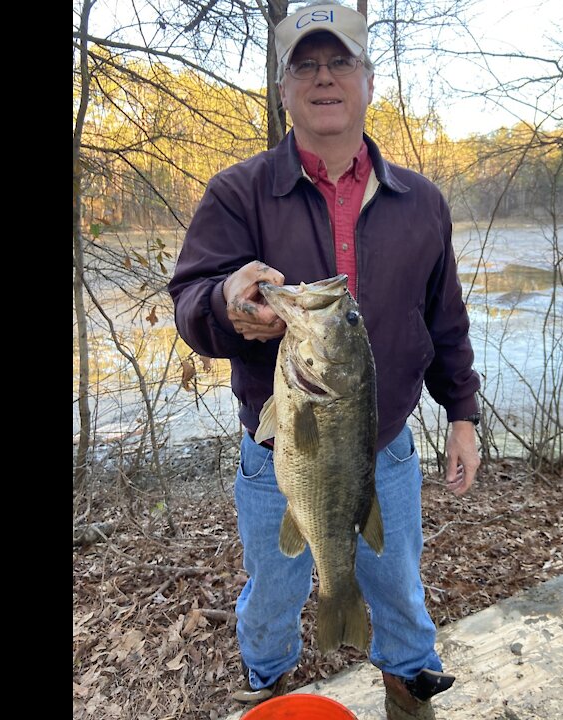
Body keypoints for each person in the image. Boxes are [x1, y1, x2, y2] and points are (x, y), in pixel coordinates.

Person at [167, 2, 481, 718]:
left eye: (340, 61)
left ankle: (409, 679)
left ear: (369, 81)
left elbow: (445, 321)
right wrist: (223, 303)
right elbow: (189, 299)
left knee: (398, 577)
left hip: (386, 448)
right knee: (273, 586)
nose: (324, 78)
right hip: (282, 446)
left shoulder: (421, 202)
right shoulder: (238, 192)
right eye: (304, 65)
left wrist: (461, 413)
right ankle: (269, 678)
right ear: (283, 90)